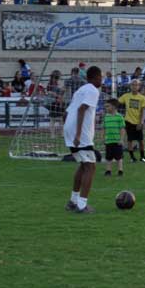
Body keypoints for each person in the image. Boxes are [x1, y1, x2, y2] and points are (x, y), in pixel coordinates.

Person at [63, 65, 103, 214]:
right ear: (95, 77)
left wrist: (68, 129)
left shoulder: (80, 90)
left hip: (69, 128)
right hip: (79, 133)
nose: (102, 80)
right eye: (101, 77)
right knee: (91, 167)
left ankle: (73, 201)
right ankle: (82, 205)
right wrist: (78, 134)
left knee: (83, 165)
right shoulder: (93, 90)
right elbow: (81, 109)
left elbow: (67, 112)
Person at [118, 79, 145, 162]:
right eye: (132, 84)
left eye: (136, 85)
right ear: (130, 86)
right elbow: (117, 102)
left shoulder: (142, 98)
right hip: (128, 121)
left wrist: (141, 122)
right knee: (130, 140)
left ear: (139, 86)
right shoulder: (126, 96)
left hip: (138, 122)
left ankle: (142, 157)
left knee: (141, 141)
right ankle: (132, 158)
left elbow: (143, 112)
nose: (134, 86)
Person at [102, 98, 126, 176]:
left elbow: (122, 129)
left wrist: (121, 139)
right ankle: (108, 171)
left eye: (108, 106)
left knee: (119, 157)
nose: (106, 108)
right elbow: (104, 128)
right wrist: (103, 138)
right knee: (108, 157)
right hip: (109, 141)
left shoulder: (119, 117)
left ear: (114, 107)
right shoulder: (106, 117)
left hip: (117, 141)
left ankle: (120, 170)